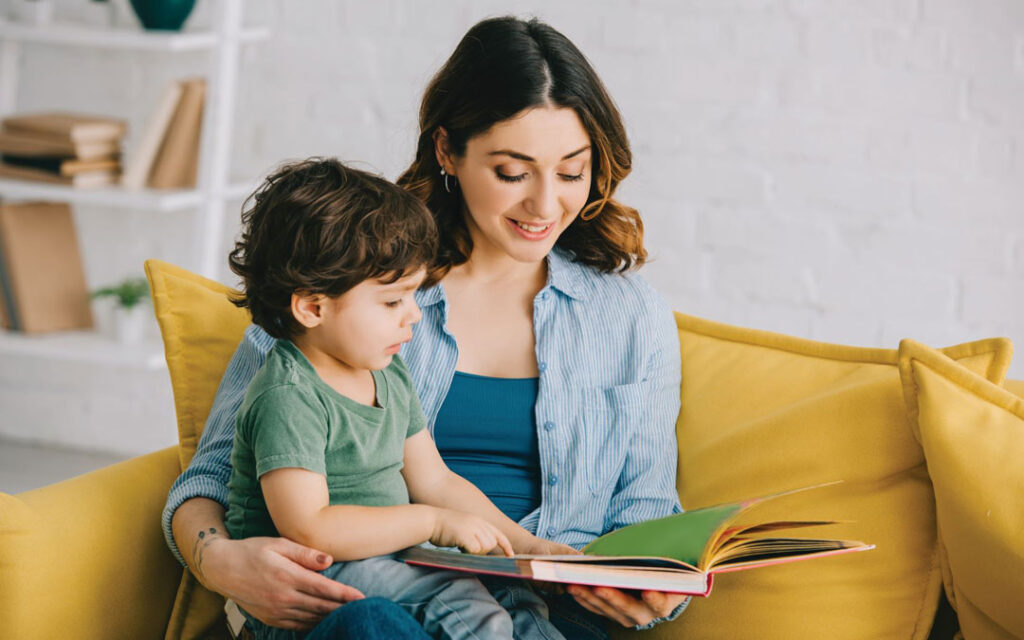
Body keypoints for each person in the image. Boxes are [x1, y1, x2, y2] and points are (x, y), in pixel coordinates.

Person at [162, 16, 688, 640]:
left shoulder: (629, 318)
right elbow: (209, 480)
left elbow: (646, 509)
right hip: (360, 600)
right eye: (513, 173)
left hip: (547, 614)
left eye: (571, 172)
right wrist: (220, 561)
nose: (546, 206)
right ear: (448, 152)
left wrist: (653, 586)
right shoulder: (346, 285)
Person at [223, 157, 569, 640]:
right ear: (312, 307)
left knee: (513, 610)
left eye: (413, 295)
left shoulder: (387, 373)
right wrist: (431, 522)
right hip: (310, 582)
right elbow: (311, 529)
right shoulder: (289, 396)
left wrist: (524, 544)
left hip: (384, 566)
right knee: (471, 614)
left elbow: (437, 480)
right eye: (392, 301)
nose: (414, 316)